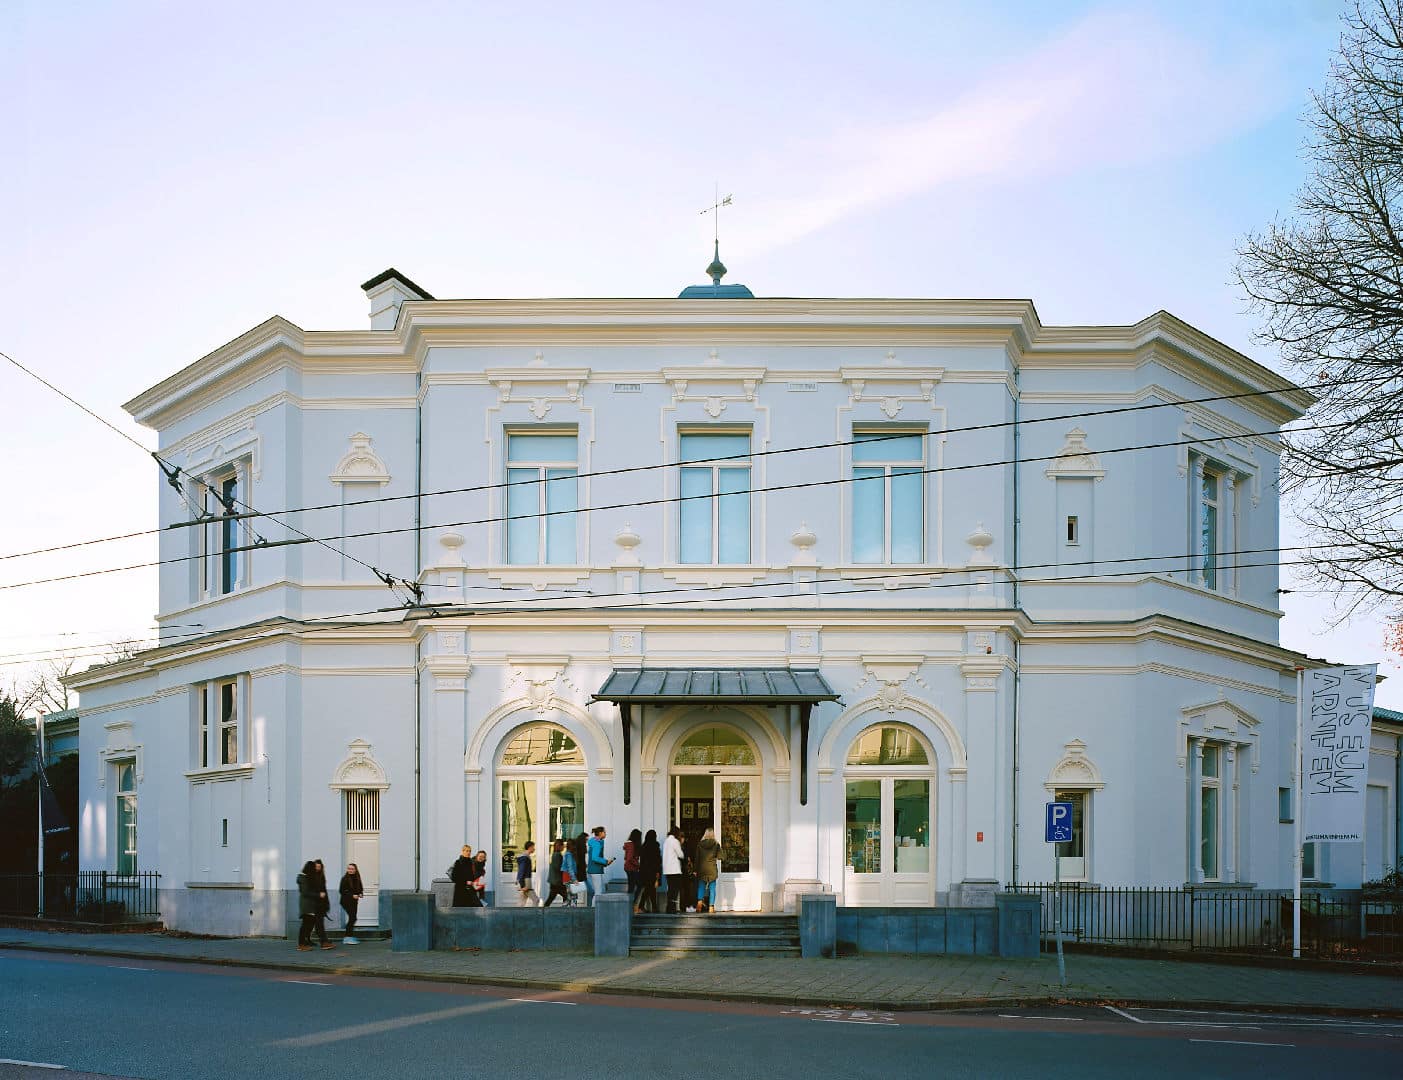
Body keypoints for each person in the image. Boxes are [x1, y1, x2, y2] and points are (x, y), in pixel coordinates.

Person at [296, 860, 321, 950]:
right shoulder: (303, 878)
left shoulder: (307, 878)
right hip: (306, 905)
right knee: (305, 925)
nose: (316, 869)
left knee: (310, 923)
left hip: (310, 904)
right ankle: (301, 944)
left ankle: (307, 940)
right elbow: (305, 892)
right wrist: (318, 895)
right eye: (314, 868)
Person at [586, 826, 614, 906]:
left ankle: (595, 909)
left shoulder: (595, 841)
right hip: (596, 871)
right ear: (600, 833)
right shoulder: (597, 843)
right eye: (604, 832)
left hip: (593, 869)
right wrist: (605, 861)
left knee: (600, 890)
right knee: (598, 892)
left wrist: (605, 863)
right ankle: (594, 910)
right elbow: (595, 858)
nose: (606, 833)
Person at [695, 828, 721, 914]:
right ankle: (711, 907)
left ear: (705, 834)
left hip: (702, 869)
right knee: (712, 888)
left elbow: (697, 859)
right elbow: (721, 857)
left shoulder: (699, 844)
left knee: (701, 886)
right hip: (712, 869)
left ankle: (699, 903)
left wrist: (695, 870)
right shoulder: (716, 845)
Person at [663, 826, 686, 914]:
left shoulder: (666, 841)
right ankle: (672, 908)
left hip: (667, 869)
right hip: (674, 869)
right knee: (675, 889)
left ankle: (669, 908)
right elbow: (680, 854)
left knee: (670, 889)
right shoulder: (675, 841)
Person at [339, 862, 365, 942]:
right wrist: (352, 895)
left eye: (352, 869)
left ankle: (349, 936)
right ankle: (347, 936)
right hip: (346, 901)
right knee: (353, 917)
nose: (350, 870)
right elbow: (342, 891)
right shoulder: (345, 878)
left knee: (353, 918)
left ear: (355, 870)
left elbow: (360, 888)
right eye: (349, 869)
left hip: (354, 901)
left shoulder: (357, 878)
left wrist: (360, 893)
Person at [542, 839, 571, 908]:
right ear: (560, 846)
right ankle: (564, 910)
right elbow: (558, 868)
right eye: (563, 846)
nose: (564, 847)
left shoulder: (555, 854)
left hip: (554, 881)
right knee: (566, 896)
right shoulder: (558, 855)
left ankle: (544, 909)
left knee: (552, 897)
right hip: (557, 881)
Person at [638, 829, 662, 914]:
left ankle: (642, 906)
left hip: (644, 871)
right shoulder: (655, 846)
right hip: (653, 870)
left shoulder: (643, 846)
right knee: (651, 889)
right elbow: (657, 860)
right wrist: (658, 872)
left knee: (649, 889)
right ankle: (653, 908)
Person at [312, 860, 333, 947]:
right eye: (316, 867)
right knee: (318, 924)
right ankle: (324, 942)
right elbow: (309, 892)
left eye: (319, 867)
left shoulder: (321, 877)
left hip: (321, 904)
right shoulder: (311, 877)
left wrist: (327, 904)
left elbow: (324, 891)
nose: (317, 868)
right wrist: (318, 895)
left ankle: (324, 941)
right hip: (314, 904)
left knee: (319, 924)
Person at [624, 828, 643, 912]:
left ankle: (630, 905)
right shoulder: (632, 845)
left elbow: (626, 857)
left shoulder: (628, 844)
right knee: (638, 885)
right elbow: (630, 858)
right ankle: (632, 904)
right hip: (632, 868)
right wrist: (638, 865)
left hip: (628, 868)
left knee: (632, 886)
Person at [515, 842, 539, 906]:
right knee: (536, 900)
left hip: (524, 880)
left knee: (522, 901)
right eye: (533, 847)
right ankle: (534, 914)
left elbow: (521, 870)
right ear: (530, 847)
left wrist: (518, 880)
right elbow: (522, 870)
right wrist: (521, 882)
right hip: (526, 881)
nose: (534, 849)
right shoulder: (525, 858)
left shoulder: (524, 857)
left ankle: (517, 915)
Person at [571, 833, 591, 905]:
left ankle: (574, 906)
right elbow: (581, 862)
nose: (586, 841)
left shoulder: (576, 849)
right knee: (590, 891)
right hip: (580, 874)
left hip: (578, 873)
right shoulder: (581, 849)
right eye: (586, 839)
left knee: (574, 892)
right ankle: (590, 908)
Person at [561, 841, 582, 906]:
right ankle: (572, 911)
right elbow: (570, 867)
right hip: (569, 876)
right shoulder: (569, 855)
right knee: (572, 895)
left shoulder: (568, 854)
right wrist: (574, 879)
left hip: (567, 875)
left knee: (570, 894)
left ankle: (569, 909)